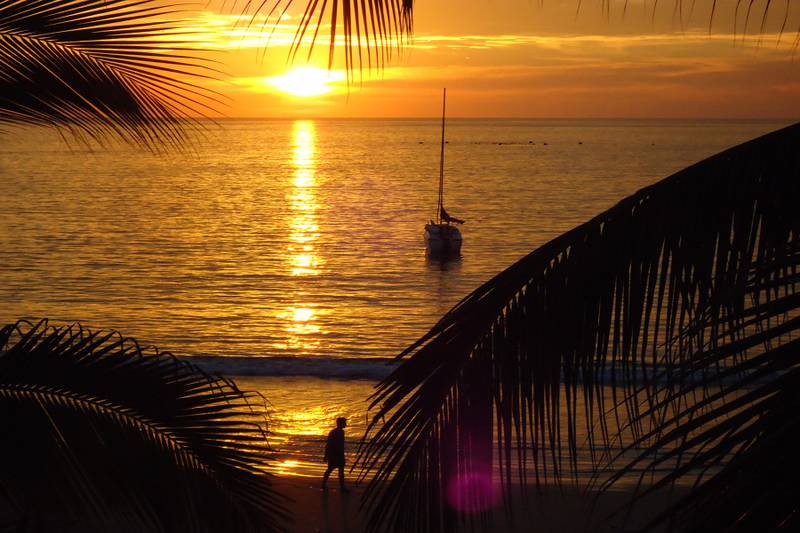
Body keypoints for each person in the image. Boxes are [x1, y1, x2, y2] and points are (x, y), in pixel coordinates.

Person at [322, 417, 348, 492]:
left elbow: (328, 444)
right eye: (344, 423)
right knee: (338, 470)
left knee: (332, 470)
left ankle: (324, 484)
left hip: (334, 454)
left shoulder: (334, 432)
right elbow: (336, 445)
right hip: (337, 454)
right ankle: (342, 487)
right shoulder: (340, 432)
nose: (346, 424)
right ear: (341, 423)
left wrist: (326, 455)